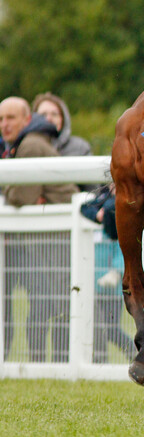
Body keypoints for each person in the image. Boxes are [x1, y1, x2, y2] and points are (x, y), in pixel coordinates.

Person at [0, 96, 77, 363]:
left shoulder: (30, 145)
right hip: (54, 236)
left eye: (10, 118)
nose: (4, 124)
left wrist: (10, 191)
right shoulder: (27, 142)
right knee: (51, 306)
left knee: (54, 307)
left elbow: (21, 196)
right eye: (1, 119)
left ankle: (47, 364)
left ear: (27, 119)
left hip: (59, 238)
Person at [80, 184, 134, 363]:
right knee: (96, 326)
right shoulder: (103, 200)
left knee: (110, 329)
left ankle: (133, 352)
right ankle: (100, 361)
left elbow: (122, 249)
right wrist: (98, 214)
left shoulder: (121, 210)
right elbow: (84, 208)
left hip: (111, 286)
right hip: (93, 282)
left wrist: (117, 272)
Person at [33, 92, 97, 191]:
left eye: (54, 114)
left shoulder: (79, 147)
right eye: (43, 114)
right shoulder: (24, 147)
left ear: (63, 119)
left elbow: (93, 189)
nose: (49, 119)